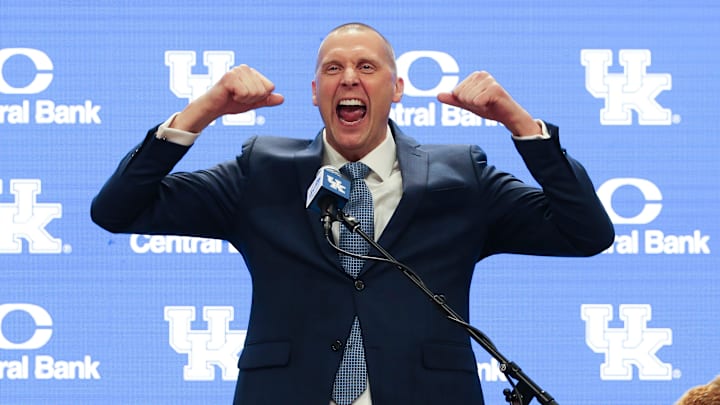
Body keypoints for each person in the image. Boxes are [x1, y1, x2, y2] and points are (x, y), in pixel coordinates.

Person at [91, 22, 614, 405]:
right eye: (332, 69)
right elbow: (118, 209)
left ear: (397, 89)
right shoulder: (262, 172)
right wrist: (204, 109)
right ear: (315, 92)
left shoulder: (460, 176)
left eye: (367, 67)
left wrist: (517, 122)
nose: (349, 79)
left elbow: (586, 231)